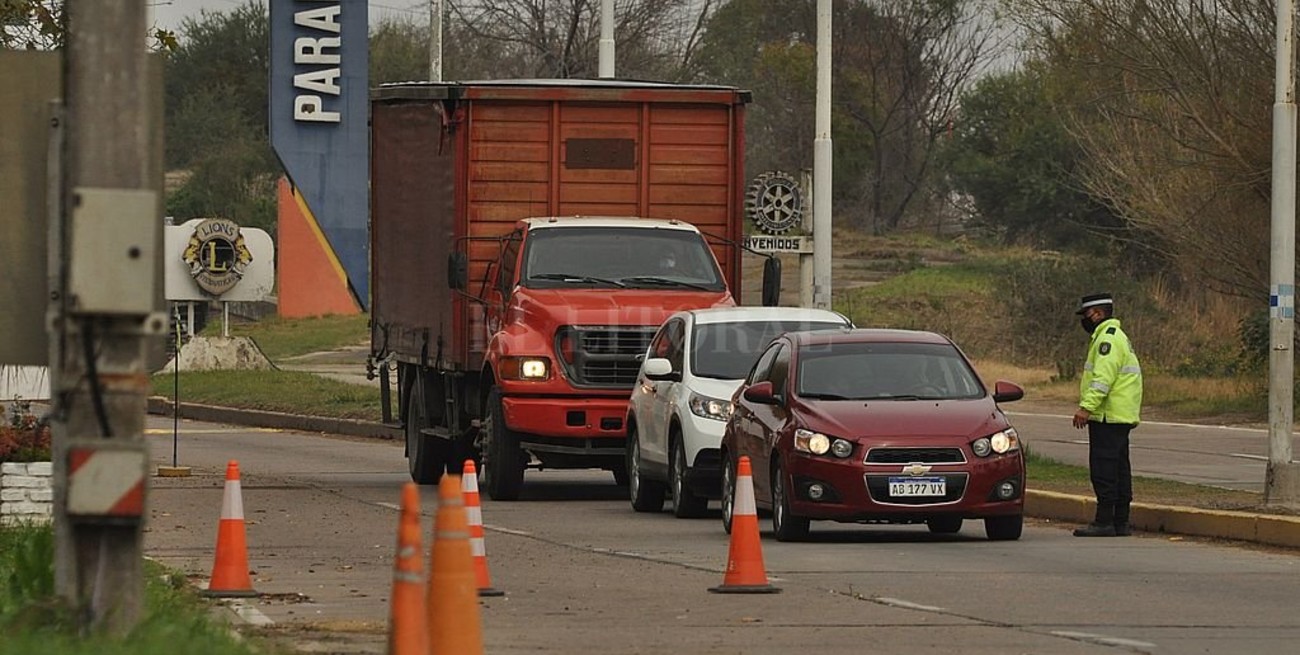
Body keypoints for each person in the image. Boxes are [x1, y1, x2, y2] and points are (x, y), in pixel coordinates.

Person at [1072, 293, 1143, 537]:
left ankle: (1105, 521)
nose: (1085, 320)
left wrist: (1086, 407)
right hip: (1119, 415)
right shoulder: (1117, 336)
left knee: (1104, 469)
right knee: (1119, 468)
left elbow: (1103, 379)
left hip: (1107, 415)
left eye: (1087, 315)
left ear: (1098, 314)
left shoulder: (1108, 341)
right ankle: (1121, 521)